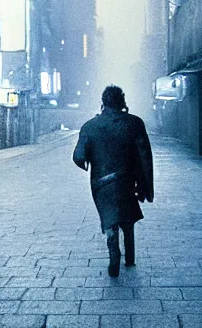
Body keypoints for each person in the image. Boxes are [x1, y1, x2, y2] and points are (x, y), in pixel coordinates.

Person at [73, 85, 153, 277]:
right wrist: (146, 187)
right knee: (128, 217)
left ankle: (113, 251)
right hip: (127, 181)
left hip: (101, 184)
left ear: (103, 103)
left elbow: (78, 156)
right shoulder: (135, 123)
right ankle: (130, 256)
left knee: (109, 219)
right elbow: (145, 157)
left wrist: (89, 162)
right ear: (123, 101)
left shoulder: (90, 126)